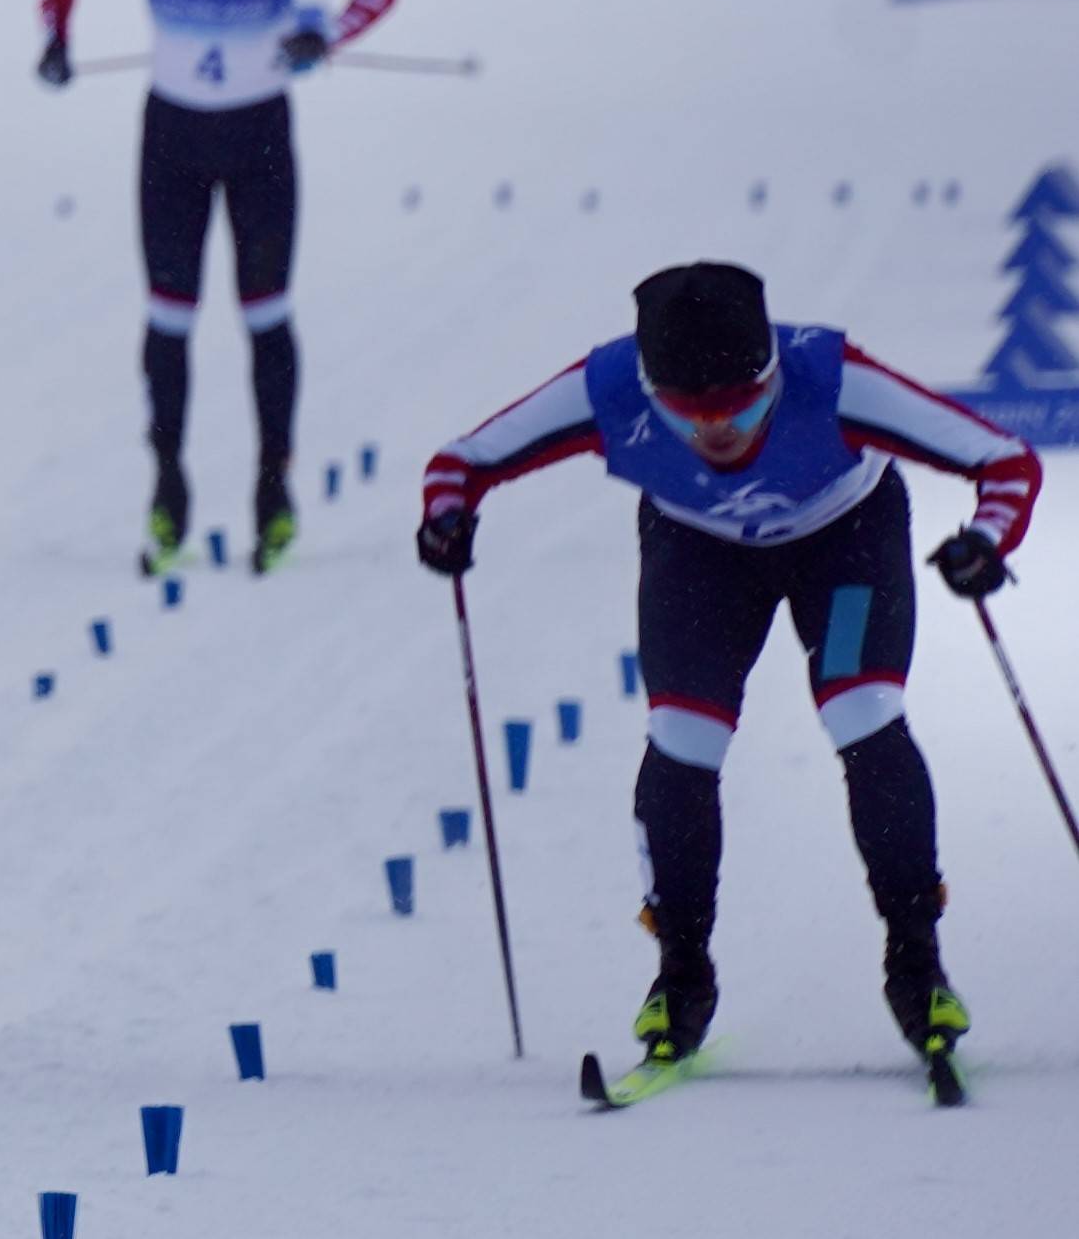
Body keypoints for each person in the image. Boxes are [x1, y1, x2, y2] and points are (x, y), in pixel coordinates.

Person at [418, 262, 1038, 1094]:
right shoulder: (606, 387)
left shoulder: (834, 376)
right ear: (648, 389)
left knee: (862, 712)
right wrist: (445, 521)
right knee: (682, 736)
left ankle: (916, 961)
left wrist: (986, 540)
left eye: (743, 407)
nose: (716, 432)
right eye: (684, 414)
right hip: (697, 553)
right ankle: (680, 975)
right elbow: (460, 461)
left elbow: (1003, 461)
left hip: (843, 539)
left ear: (772, 374)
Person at [36, 0, 393, 575]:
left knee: (264, 316)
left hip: (258, 142)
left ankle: (273, 496)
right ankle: (168, 494)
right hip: (171, 146)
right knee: (169, 319)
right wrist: (55, 45)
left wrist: (320, 35)